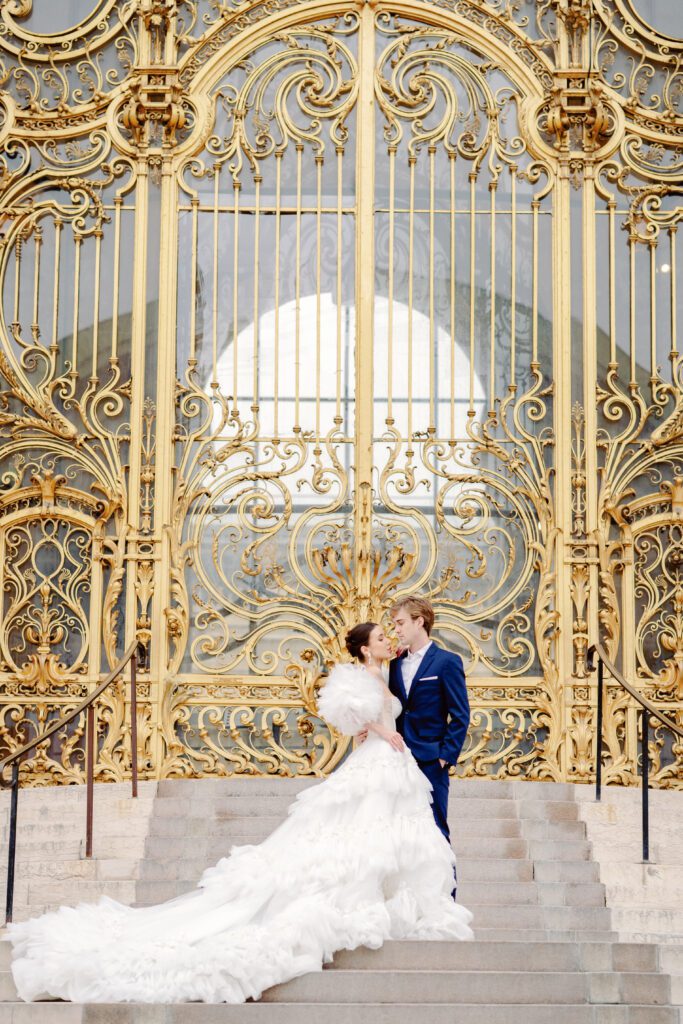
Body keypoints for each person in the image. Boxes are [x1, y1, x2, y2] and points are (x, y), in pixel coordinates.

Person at [7, 622, 472, 1005]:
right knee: (360, 837)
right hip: (377, 760)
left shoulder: (392, 675)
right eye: (381, 638)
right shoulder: (359, 676)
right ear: (365, 647)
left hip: (395, 762)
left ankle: (396, 903)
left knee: (394, 835)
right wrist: (375, 728)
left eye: (393, 635)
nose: (389, 641)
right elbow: (347, 719)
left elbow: (408, 709)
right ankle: (357, 899)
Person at [386, 596, 470, 893]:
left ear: (419, 621)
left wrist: (446, 756)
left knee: (436, 831)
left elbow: (460, 714)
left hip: (431, 760)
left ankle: (446, 902)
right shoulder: (394, 665)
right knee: (400, 833)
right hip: (397, 759)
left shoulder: (447, 662)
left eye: (400, 623)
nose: (395, 629)